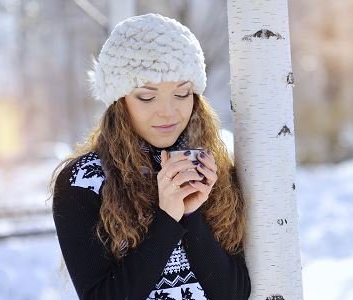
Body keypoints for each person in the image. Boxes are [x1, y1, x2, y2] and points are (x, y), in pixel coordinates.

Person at [50, 13, 251, 300]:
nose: (168, 112)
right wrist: (167, 218)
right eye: (147, 96)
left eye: (182, 94)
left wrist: (192, 214)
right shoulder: (83, 181)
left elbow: (234, 293)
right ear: (119, 102)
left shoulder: (210, 167)